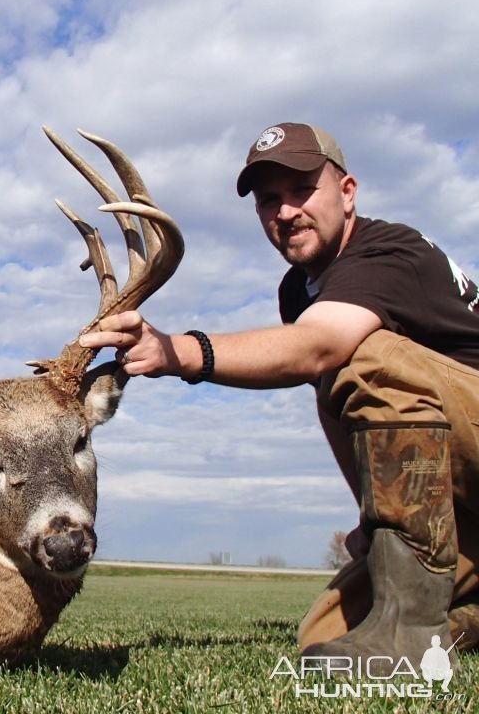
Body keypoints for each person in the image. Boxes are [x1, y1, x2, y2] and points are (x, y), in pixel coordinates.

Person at [79, 122, 479, 667]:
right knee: (324, 636)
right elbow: (334, 398)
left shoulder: (388, 251)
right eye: (270, 200)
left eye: (301, 190)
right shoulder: (300, 290)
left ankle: (409, 637)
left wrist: (179, 352)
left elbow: (318, 349)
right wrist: (371, 515)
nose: (286, 211)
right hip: (452, 499)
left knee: (366, 355)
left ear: (347, 191)